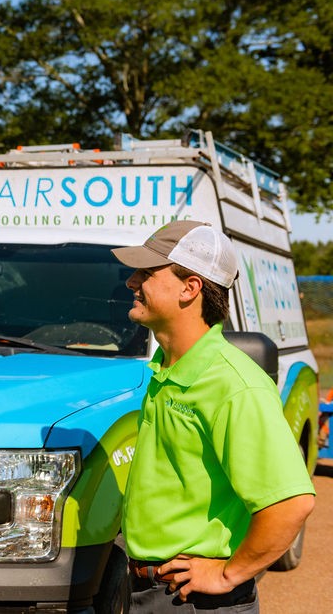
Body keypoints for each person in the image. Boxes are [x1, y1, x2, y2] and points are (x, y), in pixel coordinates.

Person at [112, 220, 315, 612]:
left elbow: (291, 504)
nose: (131, 281)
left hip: (194, 601)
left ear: (191, 288)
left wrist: (227, 574)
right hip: (155, 591)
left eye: (147, 272)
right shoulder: (168, 367)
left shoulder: (234, 385)